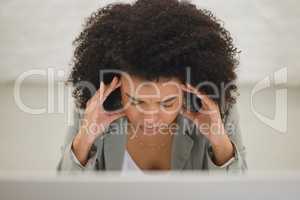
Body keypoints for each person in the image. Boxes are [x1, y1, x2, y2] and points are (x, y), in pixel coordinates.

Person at [57, 0, 247, 173]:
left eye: (167, 103)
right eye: (135, 101)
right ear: (117, 86)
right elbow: (62, 193)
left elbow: (240, 193)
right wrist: (85, 139)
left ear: (188, 89)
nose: (149, 117)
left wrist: (219, 141)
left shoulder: (216, 111)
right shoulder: (94, 108)